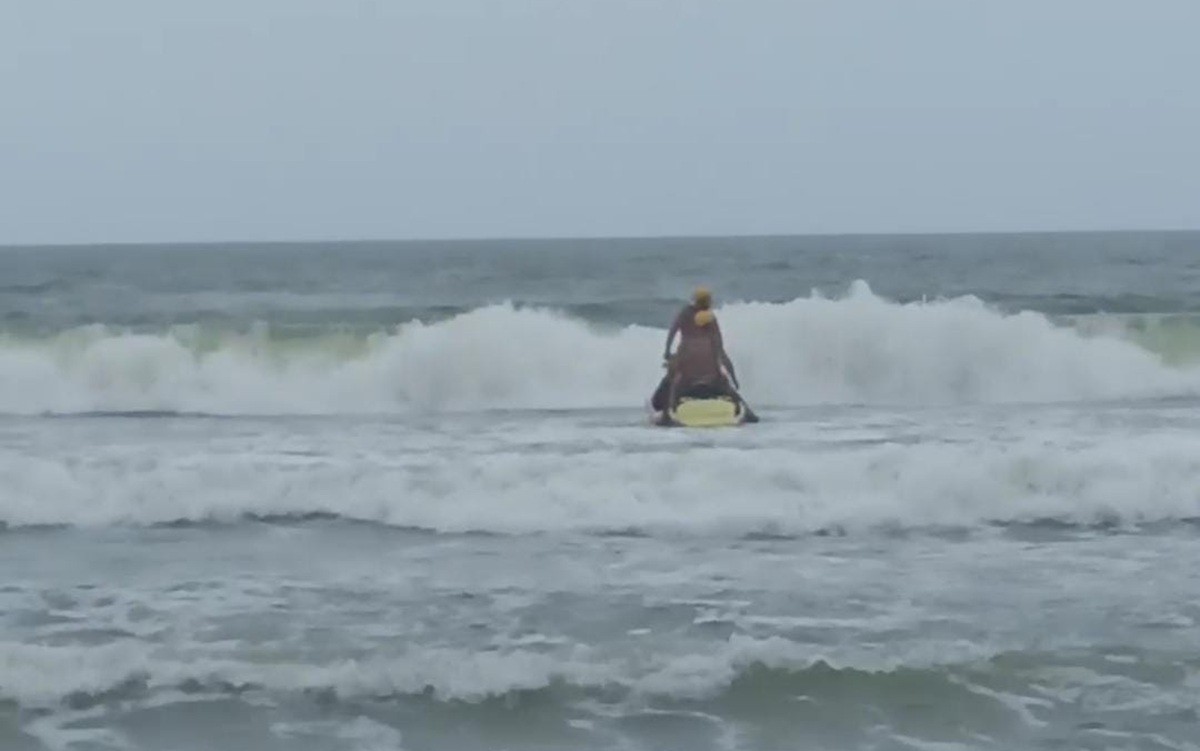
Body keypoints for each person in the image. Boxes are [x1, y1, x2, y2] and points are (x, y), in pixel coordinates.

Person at [651, 287, 756, 422]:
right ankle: (746, 412)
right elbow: (724, 359)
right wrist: (734, 380)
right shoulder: (712, 337)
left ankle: (668, 412)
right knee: (727, 384)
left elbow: (673, 331)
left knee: (674, 379)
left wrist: (667, 352)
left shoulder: (686, 342)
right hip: (712, 385)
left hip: (687, 385)